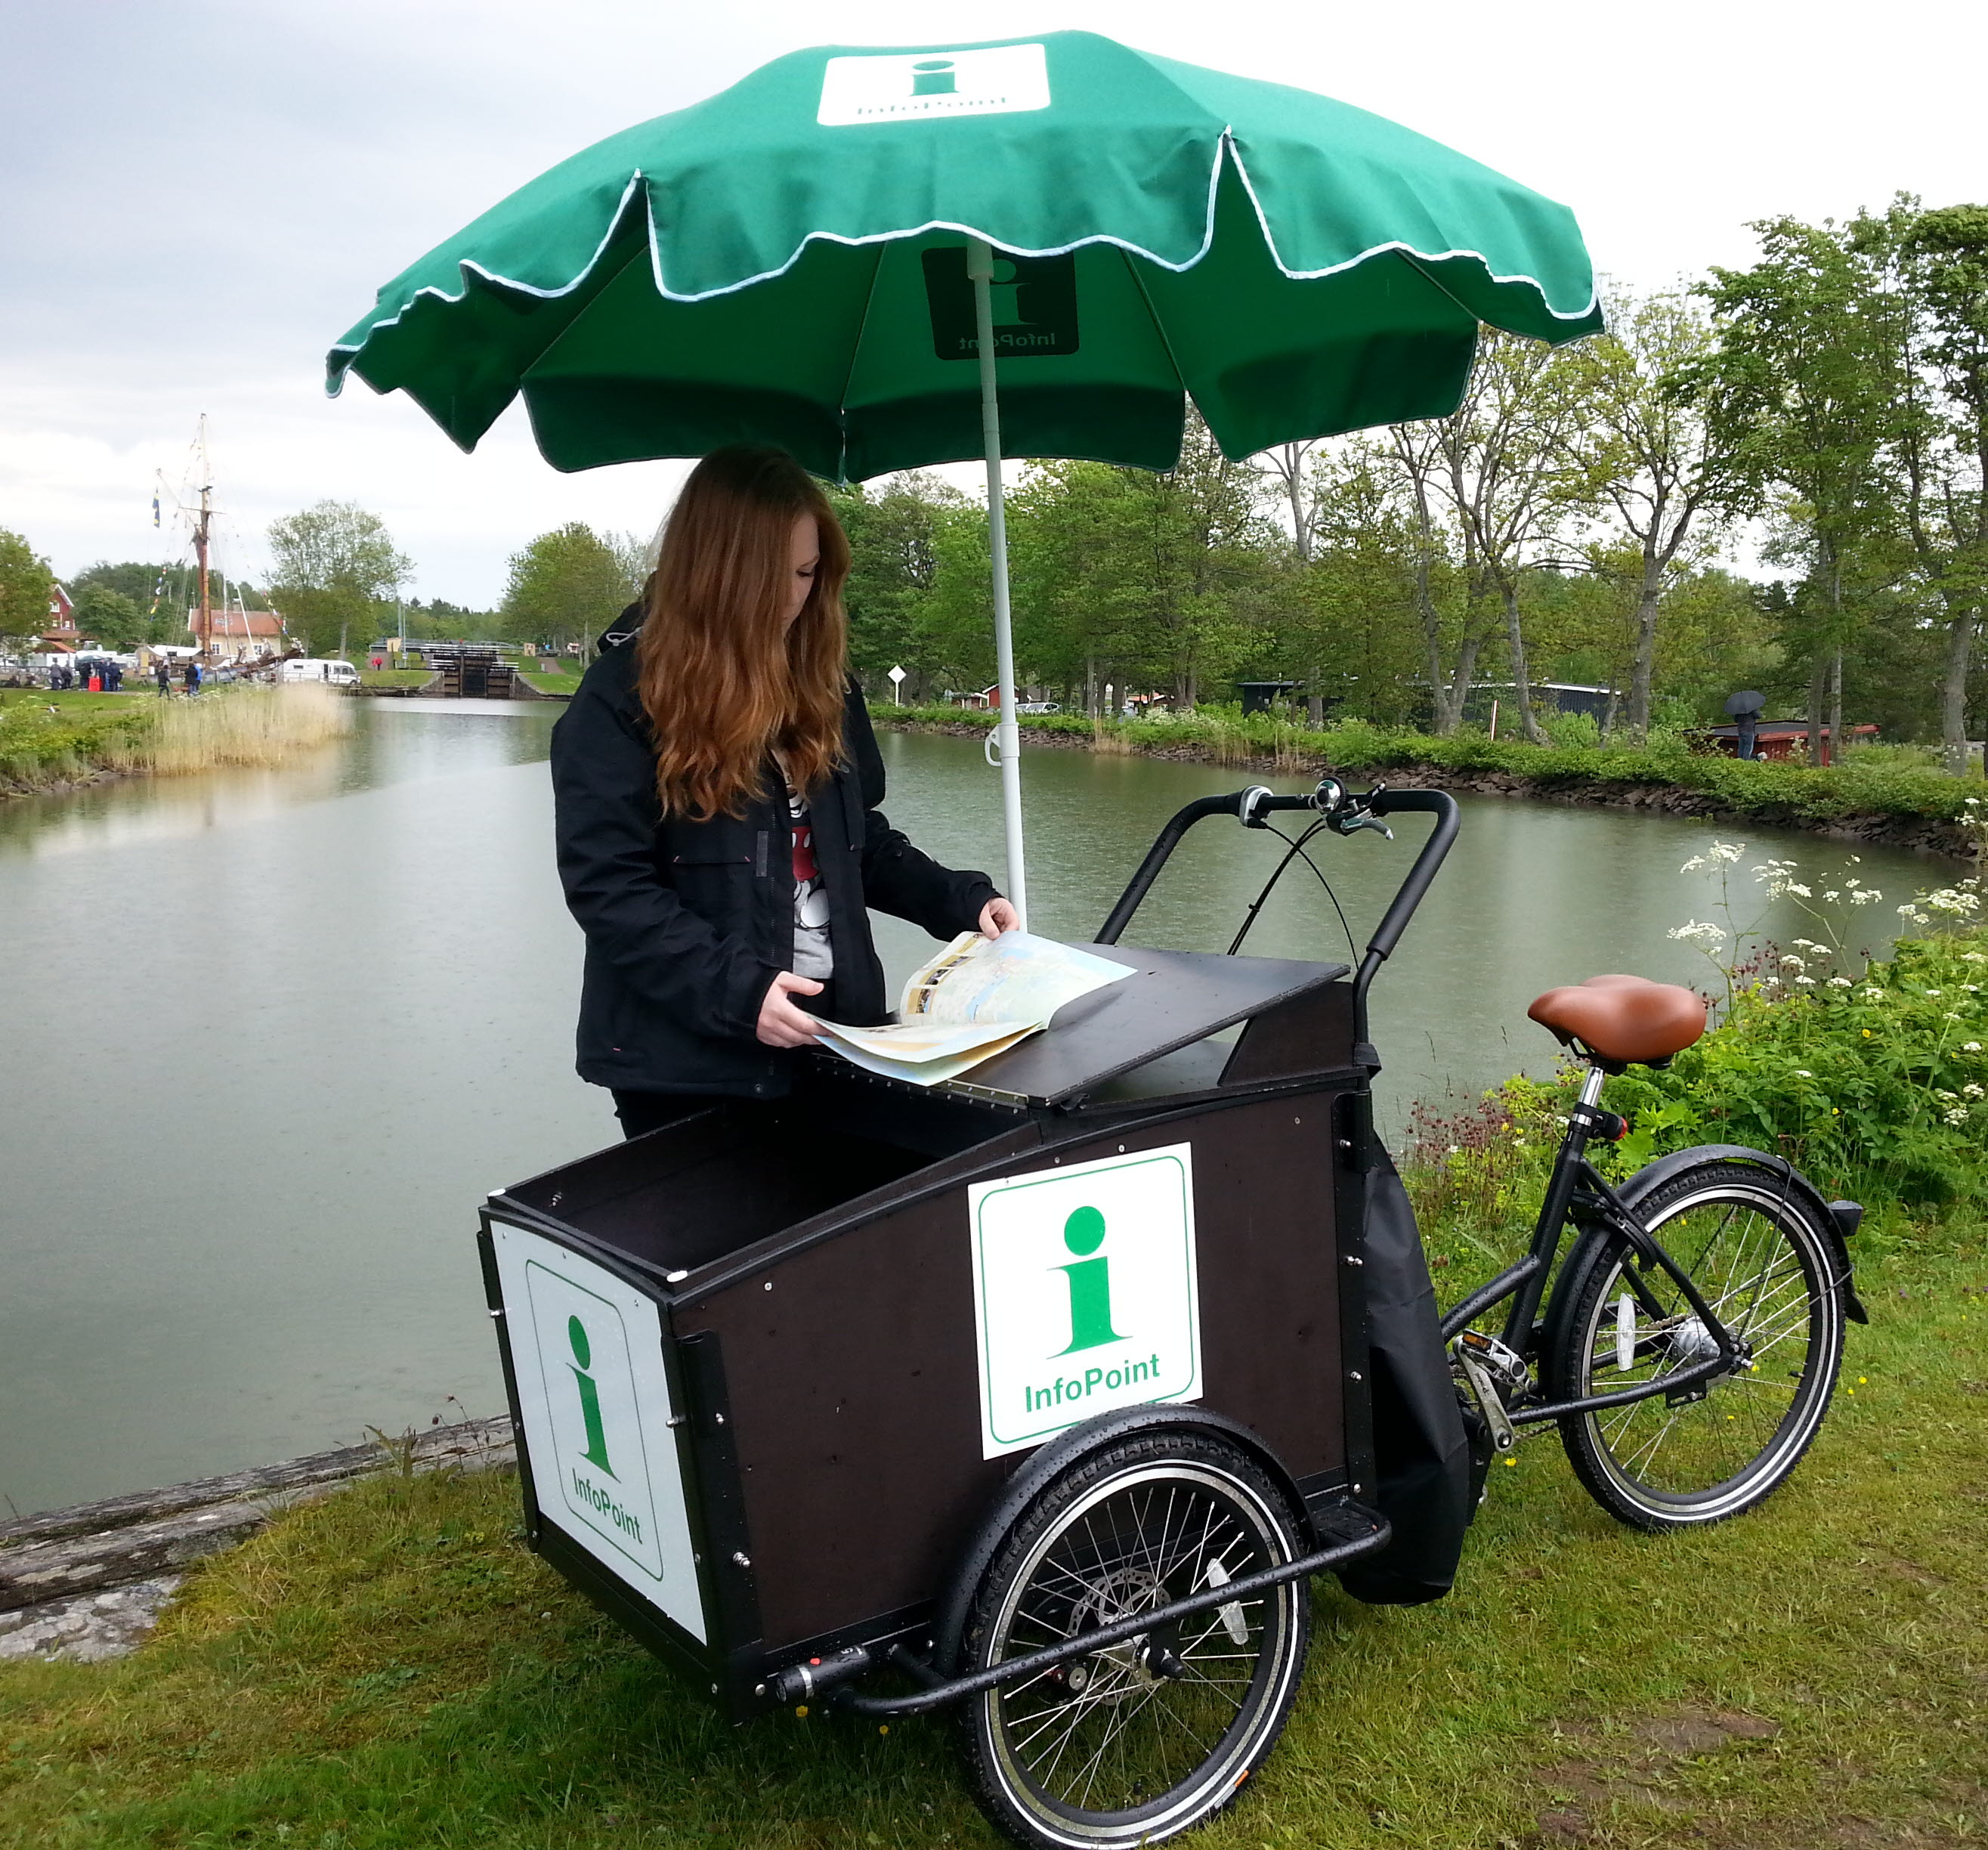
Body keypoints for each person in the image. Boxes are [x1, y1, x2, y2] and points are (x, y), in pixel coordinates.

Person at [552, 446, 1016, 1139]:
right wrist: (739, 992)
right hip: (688, 1068)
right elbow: (609, 889)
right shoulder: (621, 700)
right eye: (768, 576)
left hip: (838, 1038)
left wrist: (962, 900)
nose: (791, 598)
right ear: (711, 572)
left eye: (806, 573)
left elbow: (859, 843)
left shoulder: (826, 685)